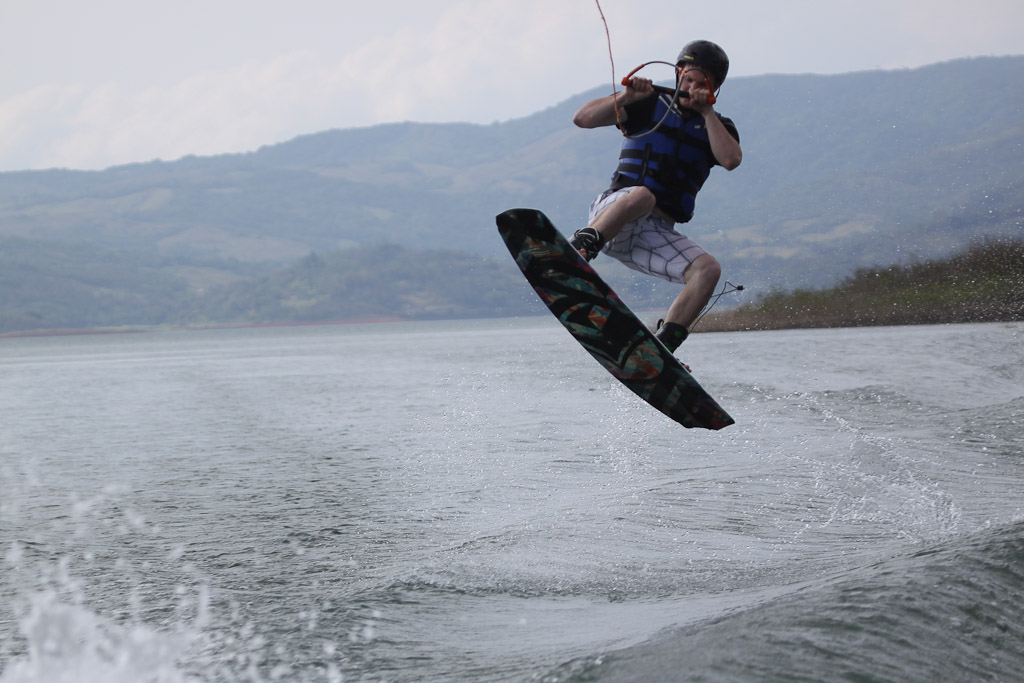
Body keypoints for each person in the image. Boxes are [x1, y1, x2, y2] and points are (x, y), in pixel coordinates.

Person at [570, 40, 741, 354]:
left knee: (708, 270)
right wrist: (627, 97)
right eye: (686, 79)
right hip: (614, 214)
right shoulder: (648, 103)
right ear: (677, 76)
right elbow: (582, 118)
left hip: (654, 233)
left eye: (700, 84)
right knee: (644, 195)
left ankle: (663, 348)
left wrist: (706, 111)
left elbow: (731, 160)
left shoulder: (718, 125)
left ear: (713, 88)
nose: (690, 87)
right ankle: (580, 248)